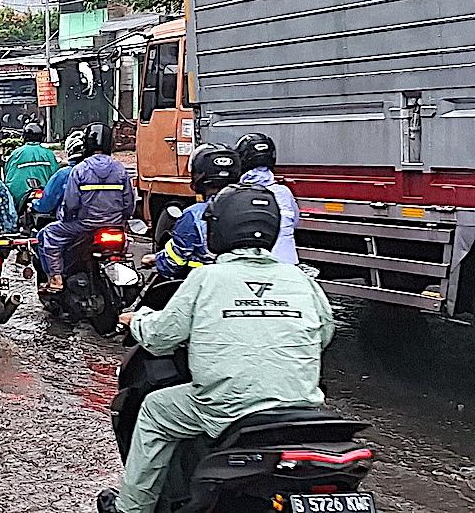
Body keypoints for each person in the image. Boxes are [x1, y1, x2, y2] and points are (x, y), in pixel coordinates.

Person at [99, 184, 335, 513]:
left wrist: (136, 320)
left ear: (218, 228)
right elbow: (324, 334)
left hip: (226, 408)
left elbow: (162, 336)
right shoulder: (301, 279)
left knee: (154, 410)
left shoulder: (206, 278)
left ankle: (131, 508)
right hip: (301, 408)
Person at [38, 123, 135, 292]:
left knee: (49, 234)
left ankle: (56, 278)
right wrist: (123, 220)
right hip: (115, 226)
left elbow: (71, 203)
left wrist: (65, 218)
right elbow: (129, 203)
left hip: (85, 226)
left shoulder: (79, 170)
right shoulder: (120, 170)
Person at [147, 144, 242, 280]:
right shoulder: (253, 207)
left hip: (206, 285)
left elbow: (174, 263)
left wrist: (157, 260)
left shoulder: (194, 215)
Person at [235, 133, 300, 265]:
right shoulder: (284, 192)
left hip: (255, 266)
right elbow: (295, 222)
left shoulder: (236, 194)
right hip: (289, 265)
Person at [3, 122, 60, 208]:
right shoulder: (49, 154)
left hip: (20, 197)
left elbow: (7, 173)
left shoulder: (16, 154)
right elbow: (56, 174)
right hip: (46, 197)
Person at [32, 130, 86, 217]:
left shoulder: (64, 174)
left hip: (75, 222)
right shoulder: (108, 171)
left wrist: (34, 204)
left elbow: (47, 204)